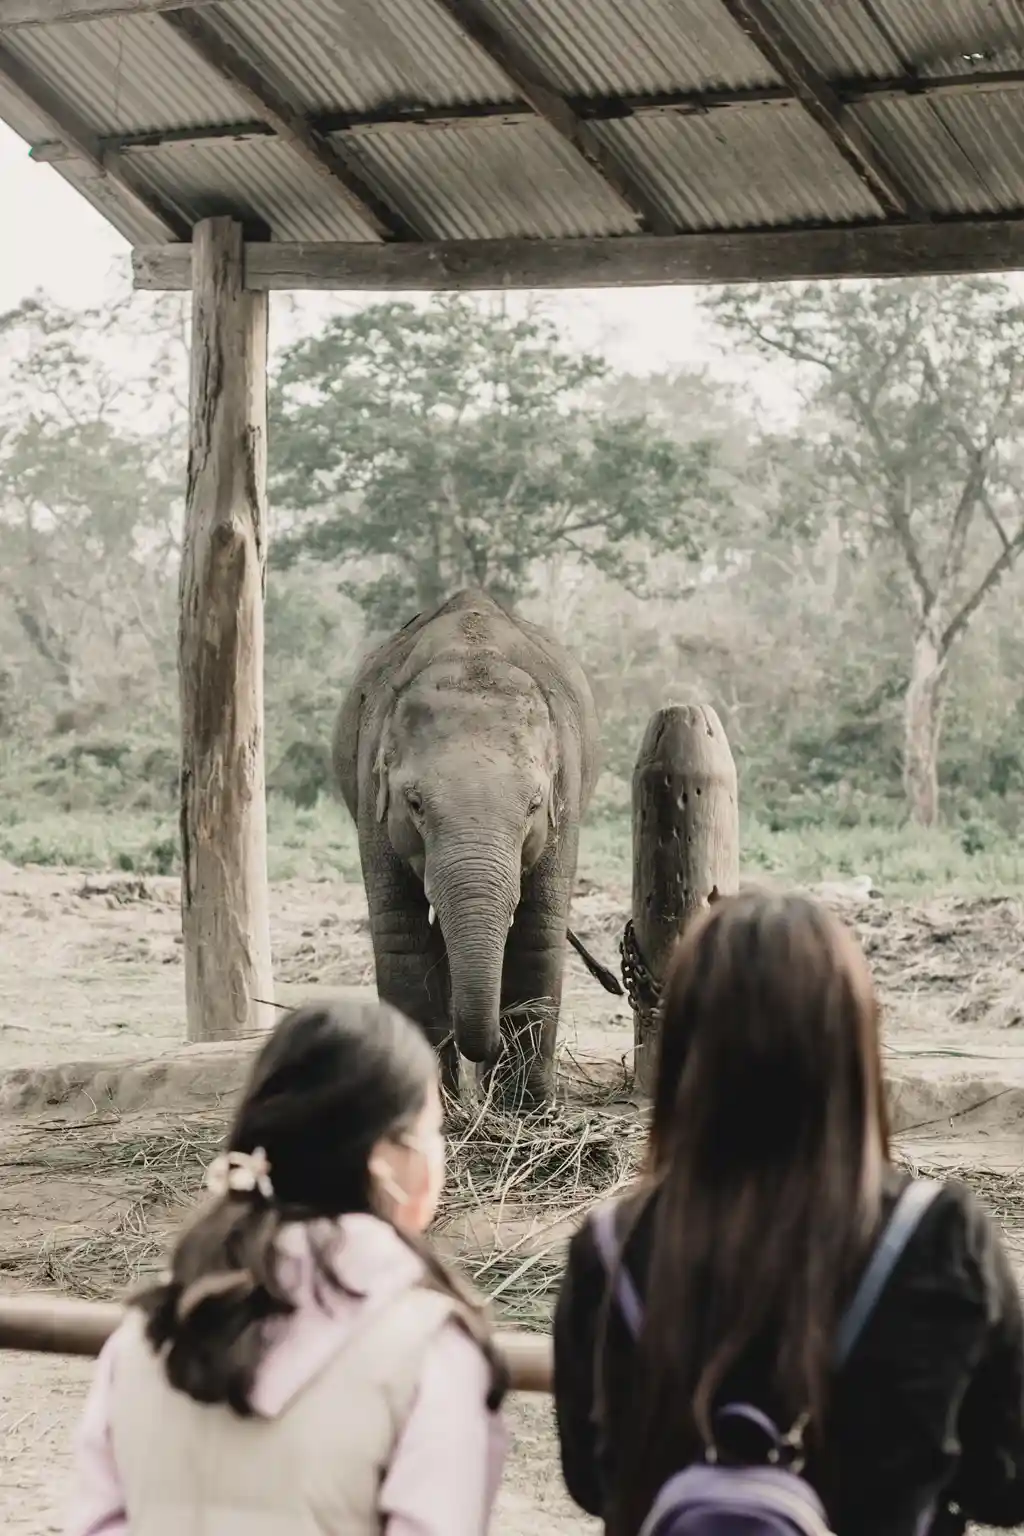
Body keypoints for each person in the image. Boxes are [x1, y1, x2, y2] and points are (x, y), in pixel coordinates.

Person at [553, 890, 1024, 1536]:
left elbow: (588, 1478)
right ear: (854, 1044)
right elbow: (1006, 1483)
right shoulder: (939, 1237)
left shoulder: (609, 1250)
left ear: (686, 1056)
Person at [67, 1000, 507, 1535]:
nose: (442, 1155)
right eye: (433, 1131)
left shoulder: (147, 1334)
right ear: (383, 1159)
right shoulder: (431, 1352)